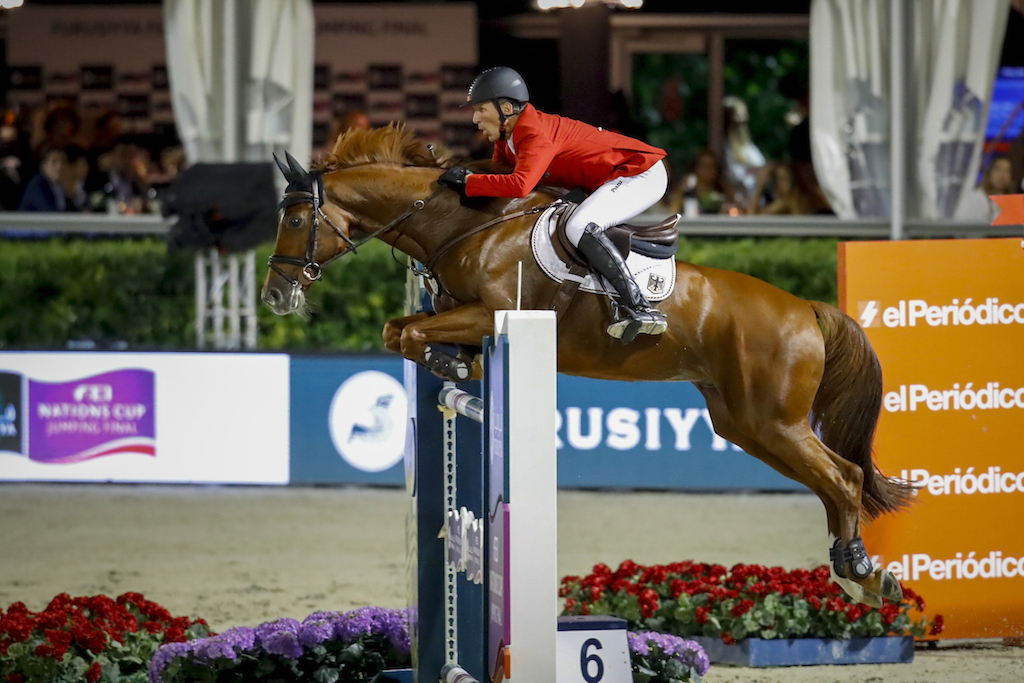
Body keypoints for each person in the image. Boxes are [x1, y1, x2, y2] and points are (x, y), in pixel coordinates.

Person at [437, 66, 669, 343]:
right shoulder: (508, 138)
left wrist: (468, 182)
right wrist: (454, 172)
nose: (475, 119)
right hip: (606, 179)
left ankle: (640, 308)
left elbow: (520, 185)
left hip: (640, 172)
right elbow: (497, 176)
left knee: (579, 225)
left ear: (507, 108)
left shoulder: (534, 133)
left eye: (481, 110)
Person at [723, 96, 766, 202]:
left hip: (756, 197)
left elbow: (762, 167)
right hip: (739, 198)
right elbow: (733, 175)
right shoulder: (725, 145)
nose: (744, 118)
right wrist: (752, 171)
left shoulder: (748, 144)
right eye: (738, 115)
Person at [955, 153, 1015, 222]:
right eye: (998, 169)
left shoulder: (1007, 200)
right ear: (989, 172)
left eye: (1007, 171)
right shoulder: (977, 197)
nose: (1002, 175)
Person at [18, 145, 67, 211]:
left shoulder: (60, 185)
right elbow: (48, 212)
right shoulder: (37, 186)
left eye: (63, 161)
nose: (59, 166)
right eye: (54, 162)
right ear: (44, 165)